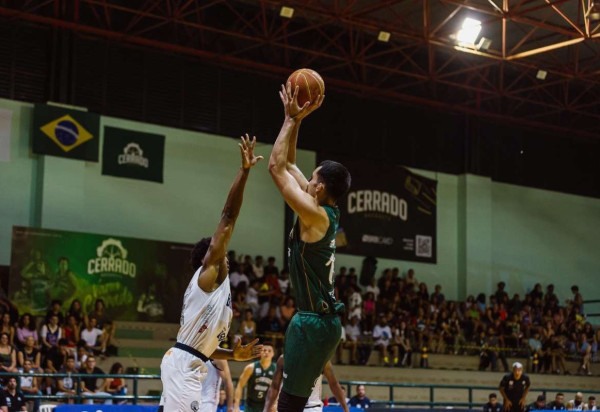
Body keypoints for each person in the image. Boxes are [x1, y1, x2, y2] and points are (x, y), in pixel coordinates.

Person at [159, 135, 264, 411]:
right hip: (184, 367)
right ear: (211, 257)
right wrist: (244, 172)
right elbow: (228, 215)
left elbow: (204, 346)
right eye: (221, 252)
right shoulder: (208, 275)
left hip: (189, 361)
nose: (226, 255)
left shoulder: (215, 290)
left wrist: (233, 354)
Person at [269, 83, 351, 411]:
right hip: (316, 320)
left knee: (290, 406)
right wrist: (299, 119)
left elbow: (275, 168)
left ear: (318, 187)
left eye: (312, 177)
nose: (308, 179)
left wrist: (288, 120)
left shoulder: (315, 215)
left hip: (314, 322)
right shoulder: (323, 208)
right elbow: (288, 164)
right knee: (295, 403)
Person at [264, 355, 348, 412]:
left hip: (311, 407)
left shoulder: (322, 359)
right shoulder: (285, 358)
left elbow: (334, 384)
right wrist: (267, 408)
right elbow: (274, 386)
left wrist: (345, 409)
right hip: (288, 407)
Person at [234, 345, 275, 412]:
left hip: (266, 404)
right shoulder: (251, 367)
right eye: (264, 350)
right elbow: (240, 386)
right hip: (251, 404)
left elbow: (278, 389)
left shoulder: (275, 369)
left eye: (269, 351)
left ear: (273, 354)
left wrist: (275, 404)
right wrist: (236, 406)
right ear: (260, 353)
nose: (266, 352)